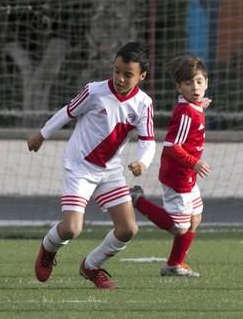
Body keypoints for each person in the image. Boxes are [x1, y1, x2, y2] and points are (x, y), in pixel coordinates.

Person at [28, 42, 155, 289]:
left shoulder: (143, 104)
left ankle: (91, 265)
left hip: (110, 171)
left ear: (142, 76)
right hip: (79, 167)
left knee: (128, 228)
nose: (119, 78)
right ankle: (48, 247)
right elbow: (68, 112)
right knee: (72, 229)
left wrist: (143, 162)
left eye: (127, 74)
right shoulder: (95, 92)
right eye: (116, 70)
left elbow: (148, 140)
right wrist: (42, 134)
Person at [130, 55, 210, 277]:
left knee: (195, 218)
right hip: (178, 175)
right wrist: (194, 163)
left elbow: (194, 107)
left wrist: (201, 104)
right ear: (179, 86)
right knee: (179, 227)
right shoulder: (185, 113)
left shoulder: (193, 106)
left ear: (206, 83)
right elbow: (172, 146)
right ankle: (138, 200)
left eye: (199, 82)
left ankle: (174, 264)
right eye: (188, 83)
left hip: (187, 175)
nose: (195, 87)